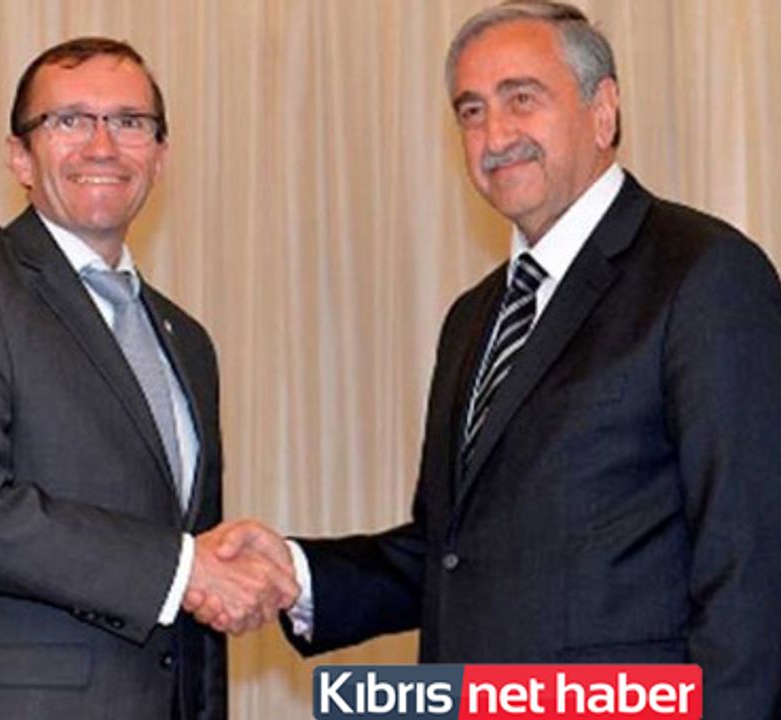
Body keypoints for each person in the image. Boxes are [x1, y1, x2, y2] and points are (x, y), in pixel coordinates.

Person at [194, 3, 781, 717]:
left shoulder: (703, 274)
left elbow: (752, 555)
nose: (496, 136)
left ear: (603, 110)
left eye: (521, 99)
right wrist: (297, 574)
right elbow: (448, 553)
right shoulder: (474, 317)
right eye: (471, 111)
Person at [0, 37, 296, 720]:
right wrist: (181, 569)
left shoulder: (187, 340)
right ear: (20, 156)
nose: (103, 146)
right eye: (70, 120)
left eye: (130, 122)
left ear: (159, 157)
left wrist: (203, 574)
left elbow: (188, 572)